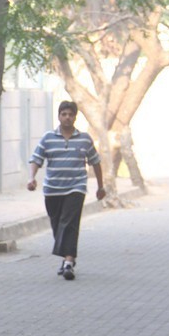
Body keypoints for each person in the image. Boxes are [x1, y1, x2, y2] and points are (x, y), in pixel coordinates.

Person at [27, 100, 105, 280]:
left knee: (69, 223)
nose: (67, 117)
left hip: (76, 188)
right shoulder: (48, 138)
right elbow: (36, 159)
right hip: (52, 189)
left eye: (70, 114)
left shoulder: (84, 139)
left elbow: (96, 162)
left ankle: (69, 262)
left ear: (75, 117)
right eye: (64, 114)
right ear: (59, 116)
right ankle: (66, 258)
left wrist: (101, 187)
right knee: (57, 225)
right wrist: (31, 179)